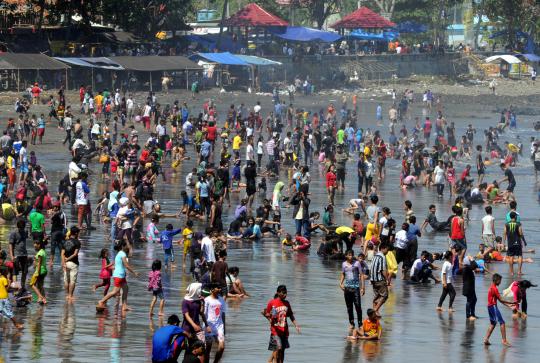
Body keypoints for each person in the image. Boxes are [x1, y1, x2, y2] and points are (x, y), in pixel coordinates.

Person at [97, 241, 140, 312]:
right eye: (126, 245)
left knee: (126, 289)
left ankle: (124, 306)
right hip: (119, 275)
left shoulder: (119, 254)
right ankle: (101, 301)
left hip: (120, 275)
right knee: (115, 291)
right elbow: (126, 265)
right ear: (123, 246)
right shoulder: (122, 254)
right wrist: (134, 272)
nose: (127, 246)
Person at [262, 285, 300, 363]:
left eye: (286, 293)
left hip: (284, 331)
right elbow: (266, 313)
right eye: (283, 293)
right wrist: (269, 316)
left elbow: (291, 315)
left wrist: (296, 325)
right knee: (278, 348)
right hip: (275, 331)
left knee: (282, 350)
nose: (285, 295)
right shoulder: (272, 302)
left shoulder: (287, 303)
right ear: (278, 293)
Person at [483, 273, 515, 346]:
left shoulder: (491, 287)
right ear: (496, 280)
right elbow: (501, 299)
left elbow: (500, 300)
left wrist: (509, 305)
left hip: (490, 307)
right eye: (500, 280)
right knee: (502, 323)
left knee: (493, 323)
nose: (500, 282)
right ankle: (504, 340)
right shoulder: (494, 289)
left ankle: (486, 339)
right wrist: (511, 302)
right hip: (493, 307)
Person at [340, 250, 365, 334]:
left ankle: (360, 324)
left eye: (352, 255)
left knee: (358, 306)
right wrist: (340, 283)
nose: (351, 256)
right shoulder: (344, 264)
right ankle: (351, 323)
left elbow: (361, 275)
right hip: (347, 288)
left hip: (356, 288)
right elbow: (343, 274)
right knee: (349, 307)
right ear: (346, 256)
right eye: (349, 255)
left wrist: (362, 288)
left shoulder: (357, 263)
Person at [204, 283, 227, 363]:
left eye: (220, 288)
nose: (220, 290)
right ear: (213, 289)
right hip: (209, 326)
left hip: (219, 326)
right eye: (218, 288)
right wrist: (206, 326)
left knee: (222, 347)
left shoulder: (221, 300)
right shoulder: (207, 300)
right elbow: (203, 314)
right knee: (208, 349)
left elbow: (223, 314)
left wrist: (224, 327)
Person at [61, 226, 81, 301]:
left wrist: (63, 263)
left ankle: (67, 295)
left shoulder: (65, 241)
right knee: (72, 281)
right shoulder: (77, 242)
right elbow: (75, 254)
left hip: (66, 264)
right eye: (78, 233)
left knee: (66, 280)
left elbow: (62, 253)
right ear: (76, 233)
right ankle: (70, 295)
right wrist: (67, 259)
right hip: (73, 263)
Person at [369, 243, 389, 316]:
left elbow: (371, 267)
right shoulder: (382, 257)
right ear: (383, 248)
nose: (387, 251)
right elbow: (383, 270)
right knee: (385, 295)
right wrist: (387, 279)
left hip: (373, 279)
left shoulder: (375, 256)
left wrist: (371, 279)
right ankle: (375, 310)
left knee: (377, 295)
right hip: (380, 279)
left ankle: (375, 313)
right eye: (387, 250)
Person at [9, 219, 29, 291]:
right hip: (16, 254)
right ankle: (15, 287)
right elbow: (10, 245)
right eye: (20, 228)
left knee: (25, 271)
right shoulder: (13, 233)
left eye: (23, 228)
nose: (21, 230)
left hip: (24, 254)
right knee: (15, 271)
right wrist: (11, 256)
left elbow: (24, 242)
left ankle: (22, 286)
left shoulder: (25, 231)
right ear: (18, 227)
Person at [503, 211, 525, 276]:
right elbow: (520, 233)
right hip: (517, 242)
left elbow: (504, 233)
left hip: (510, 242)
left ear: (510, 217)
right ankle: (519, 271)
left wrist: (503, 242)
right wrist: (523, 241)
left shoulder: (506, 224)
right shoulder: (518, 224)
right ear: (515, 216)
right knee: (520, 256)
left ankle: (511, 272)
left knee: (511, 256)